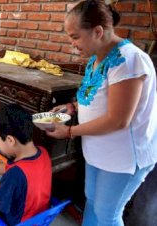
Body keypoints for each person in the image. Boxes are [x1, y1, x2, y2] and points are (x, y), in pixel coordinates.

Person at [46, 1, 157, 225]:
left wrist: (69, 131)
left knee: (108, 214)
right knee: (92, 203)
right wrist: (73, 107)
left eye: (75, 37)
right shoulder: (96, 59)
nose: (72, 43)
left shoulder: (128, 60)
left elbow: (118, 120)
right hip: (98, 151)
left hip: (123, 158)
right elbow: (95, 96)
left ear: (98, 31)